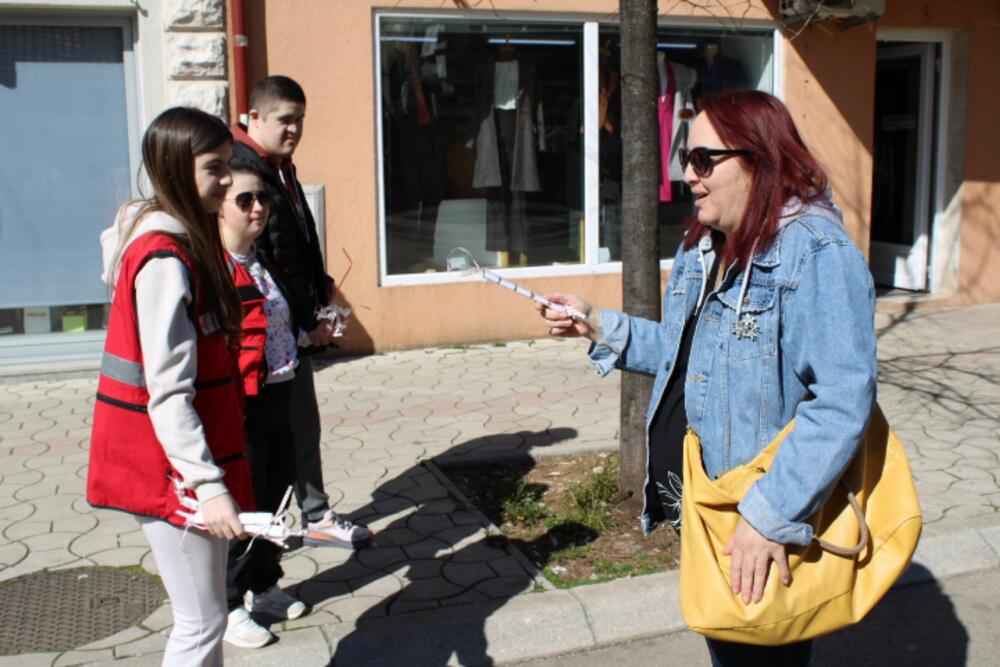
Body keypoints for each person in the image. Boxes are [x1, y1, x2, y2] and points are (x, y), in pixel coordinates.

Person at [536, 90, 877, 665]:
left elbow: (843, 401)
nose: (687, 175)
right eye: (683, 157)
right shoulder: (705, 246)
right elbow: (684, 353)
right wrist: (597, 324)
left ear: (759, 158)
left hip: (762, 516)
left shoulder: (814, 253)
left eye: (701, 160)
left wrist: (769, 517)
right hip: (709, 505)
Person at [87, 107, 254, 666]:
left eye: (229, 165)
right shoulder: (164, 258)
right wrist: (209, 485)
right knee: (201, 622)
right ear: (176, 171)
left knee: (202, 619)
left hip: (170, 465)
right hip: (169, 471)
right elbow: (168, 391)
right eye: (216, 168)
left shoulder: (176, 240)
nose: (228, 181)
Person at [231, 75, 372, 548]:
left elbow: (295, 243)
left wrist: (323, 290)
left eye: (301, 121)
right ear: (253, 117)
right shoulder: (243, 169)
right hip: (267, 329)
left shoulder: (278, 164)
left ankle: (303, 516)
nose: (295, 130)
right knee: (283, 433)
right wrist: (304, 318)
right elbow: (263, 256)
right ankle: (286, 526)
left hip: (289, 321)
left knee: (298, 425)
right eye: (285, 120)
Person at [219, 161, 311, 648]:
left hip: (279, 394)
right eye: (245, 200)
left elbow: (277, 318)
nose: (258, 208)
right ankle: (229, 606)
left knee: (276, 497)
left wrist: (309, 326)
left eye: (264, 199)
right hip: (241, 407)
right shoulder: (213, 268)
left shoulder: (260, 259)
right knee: (244, 505)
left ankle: (265, 584)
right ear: (219, 207)